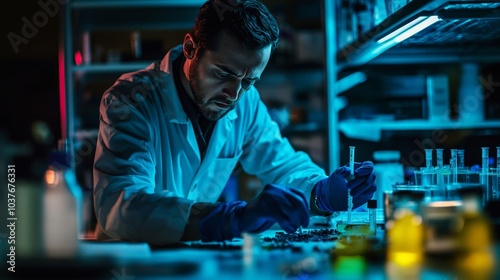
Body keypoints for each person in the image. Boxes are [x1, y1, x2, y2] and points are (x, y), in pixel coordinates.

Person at [93, 0, 376, 246]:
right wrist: (229, 218)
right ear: (191, 47)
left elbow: (281, 163)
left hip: (192, 261)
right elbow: (123, 206)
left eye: (249, 81)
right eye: (222, 73)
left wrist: (321, 192)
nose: (233, 94)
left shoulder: (246, 101)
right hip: (131, 263)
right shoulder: (131, 100)